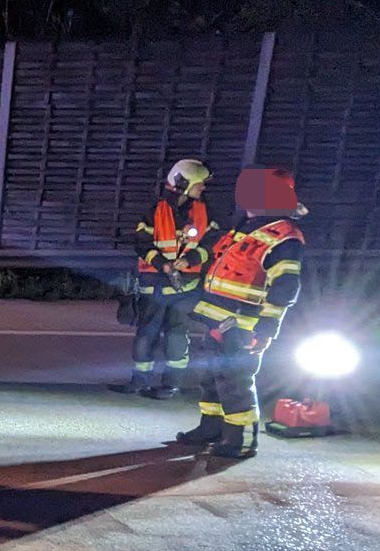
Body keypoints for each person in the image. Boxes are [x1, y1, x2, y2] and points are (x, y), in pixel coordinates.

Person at [176, 167, 307, 460]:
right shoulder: (248, 228)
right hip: (217, 319)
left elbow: (285, 289)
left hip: (243, 326)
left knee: (235, 383)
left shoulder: (285, 237)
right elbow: (215, 256)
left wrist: (265, 329)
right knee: (211, 378)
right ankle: (211, 429)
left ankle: (242, 441)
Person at [115, 159, 216, 398]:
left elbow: (213, 243)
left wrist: (188, 260)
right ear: (184, 183)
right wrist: (164, 265)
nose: (202, 188)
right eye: (199, 183)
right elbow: (141, 244)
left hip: (182, 286)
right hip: (157, 285)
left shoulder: (204, 211)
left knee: (173, 336)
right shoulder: (155, 212)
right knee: (153, 334)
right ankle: (146, 382)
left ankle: (167, 385)